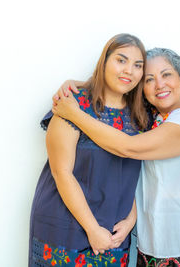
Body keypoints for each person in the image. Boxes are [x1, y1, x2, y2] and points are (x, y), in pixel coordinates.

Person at [52, 48, 180, 266]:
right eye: (149, 79)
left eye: (166, 74)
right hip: (154, 245)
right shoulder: (156, 117)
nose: (159, 84)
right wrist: (80, 85)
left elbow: (128, 148)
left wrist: (74, 114)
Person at [29, 33, 149, 267]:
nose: (129, 71)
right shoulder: (72, 103)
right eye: (121, 60)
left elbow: (128, 173)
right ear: (104, 62)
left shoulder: (141, 117)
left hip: (115, 234)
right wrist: (92, 229)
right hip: (67, 226)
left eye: (137, 65)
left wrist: (131, 218)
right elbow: (61, 172)